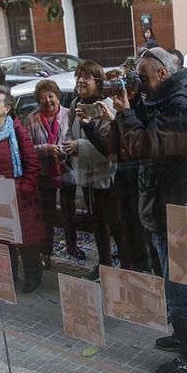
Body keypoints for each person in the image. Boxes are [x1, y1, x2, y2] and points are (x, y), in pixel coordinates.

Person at [113, 47, 187, 373]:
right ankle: (185, 336)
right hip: (170, 204)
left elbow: (148, 147)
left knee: (180, 287)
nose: (139, 84)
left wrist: (125, 112)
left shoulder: (181, 104)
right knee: (183, 283)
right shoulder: (171, 99)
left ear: (163, 74)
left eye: (143, 78)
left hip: (181, 209)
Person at [78, 61, 156, 273]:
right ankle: (132, 272)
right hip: (124, 183)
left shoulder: (143, 107)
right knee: (128, 235)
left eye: (121, 84)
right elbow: (109, 146)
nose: (116, 90)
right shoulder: (122, 109)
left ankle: (141, 272)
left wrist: (118, 116)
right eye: (113, 85)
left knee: (139, 239)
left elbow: (140, 146)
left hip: (140, 185)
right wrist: (90, 124)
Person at [0, 86, 45, 293]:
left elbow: (32, 164)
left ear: (7, 108)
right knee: (2, 239)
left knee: (26, 240)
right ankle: (8, 276)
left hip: (19, 196)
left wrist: (22, 189)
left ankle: (33, 276)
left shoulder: (19, 132)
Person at [66, 60, 120, 281]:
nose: (80, 80)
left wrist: (79, 147)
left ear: (98, 82)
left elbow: (110, 147)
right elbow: (70, 131)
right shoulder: (75, 104)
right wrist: (68, 144)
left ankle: (121, 264)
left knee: (112, 222)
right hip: (85, 174)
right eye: (78, 76)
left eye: (86, 77)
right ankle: (104, 262)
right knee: (96, 222)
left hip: (106, 177)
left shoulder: (106, 106)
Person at [23, 79, 84, 268]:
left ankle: (72, 246)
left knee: (69, 211)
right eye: (42, 98)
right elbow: (26, 149)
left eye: (51, 96)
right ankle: (46, 251)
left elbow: (76, 139)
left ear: (57, 97)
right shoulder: (31, 119)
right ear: (38, 100)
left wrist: (63, 149)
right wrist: (46, 149)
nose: (47, 100)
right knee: (47, 214)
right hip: (44, 173)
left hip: (66, 169)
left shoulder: (68, 114)